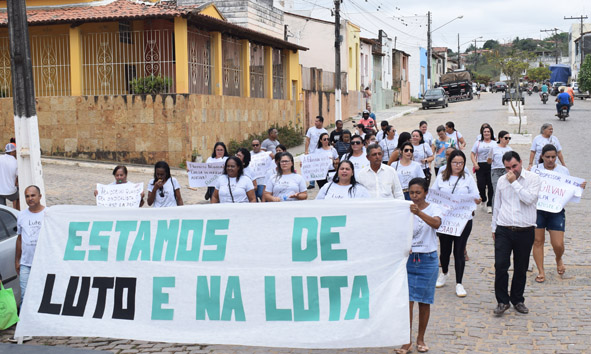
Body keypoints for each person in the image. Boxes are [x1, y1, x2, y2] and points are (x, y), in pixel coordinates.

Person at [396, 177, 443, 354]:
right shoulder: (404, 209)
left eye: (418, 193)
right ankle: (405, 340)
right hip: (407, 259)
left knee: (424, 301)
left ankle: (420, 338)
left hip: (427, 259)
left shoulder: (434, 208)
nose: (414, 196)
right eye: (411, 193)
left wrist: (418, 213)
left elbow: (436, 223)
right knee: (406, 302)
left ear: (426, 193)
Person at [492, 151, 541, 316]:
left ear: (520, 162)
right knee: (500, 265)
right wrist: (494, 228)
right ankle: (502, 301)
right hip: (504, 228)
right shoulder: (501, 180)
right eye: (507, 168)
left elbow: (529, 199)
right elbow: (497, 204)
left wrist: (514, 183)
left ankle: (517, 299)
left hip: (525, 230)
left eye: (514, 166)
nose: (511, 171)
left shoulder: (533, 179)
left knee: (521, 267)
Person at [532, 145, 586, 283]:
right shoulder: (535, 170)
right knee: (538, 241)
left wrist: (578, 187)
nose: (550, 160)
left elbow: (569, 189)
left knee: (558, 244)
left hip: (556, 210)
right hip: (538, 210)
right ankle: (541, 271)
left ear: (556, 157)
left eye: (553, 157)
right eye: (547, 157)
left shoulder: (563, 171)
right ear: (542, 156)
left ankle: (558, 258)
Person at [432, 150, 481, 297]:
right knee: (445, 250)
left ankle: (459, 282)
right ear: (449, 163)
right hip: (446, 220)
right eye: (455, 163)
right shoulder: (441, 177)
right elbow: (433, 195)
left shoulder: (468, 178)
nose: (458, 166)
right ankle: (444, 272)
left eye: (461, 163)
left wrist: (476, 200)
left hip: (462, 220)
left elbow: (476, 195)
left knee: (459, 251)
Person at [12, 185, 44, 343]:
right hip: (26, 263)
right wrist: (17, 259)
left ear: (40, 196)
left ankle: (39, 324)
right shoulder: (22, 216)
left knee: (42, 295)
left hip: (44, 263)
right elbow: (20, 238)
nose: (30, 198)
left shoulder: (48, 214)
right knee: (25, 295)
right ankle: (23, 331)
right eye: (27, 196)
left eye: (33, 195)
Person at [471, 125, 496, 213]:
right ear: (482, 133)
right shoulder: (478, 143)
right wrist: (475, 163)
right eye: (485, 132)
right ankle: (483, 198)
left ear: (491, 133)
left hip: (491, 166)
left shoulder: (494, 143)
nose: (486, 133)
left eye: (488, 132)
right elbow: (472, 154)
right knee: (480, 185)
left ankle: (490, 204)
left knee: (490, 186)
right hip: (480, 165)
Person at [487, 130, 513, 205]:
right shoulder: (494, 148)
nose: (508, 140)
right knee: (497, 190)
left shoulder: (509, 149)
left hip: (506, 170)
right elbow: (489, 160)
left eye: (509, 138)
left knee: (506, 190)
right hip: (496, 170)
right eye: (506, 138)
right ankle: (495, 211)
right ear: (500, 138)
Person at [305, 116, 328, 189]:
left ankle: (321, 181)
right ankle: (312, 183)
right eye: (315, 121)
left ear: (321, 122)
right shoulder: (311, 130)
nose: (315, 122)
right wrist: (306, 150)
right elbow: (307, 140)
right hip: (312, 152)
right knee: (312, 168)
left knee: (320, 168)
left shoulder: (324, 131)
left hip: (321, 153)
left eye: (317, 121)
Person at [0, 143, 19, 209]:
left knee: (2, 207)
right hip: (11, 192)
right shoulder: (16, 162)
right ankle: (16, 211)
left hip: (0, 192)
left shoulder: (0, 158)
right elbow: (18, 178)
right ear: (13, 152)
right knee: (20, 197)